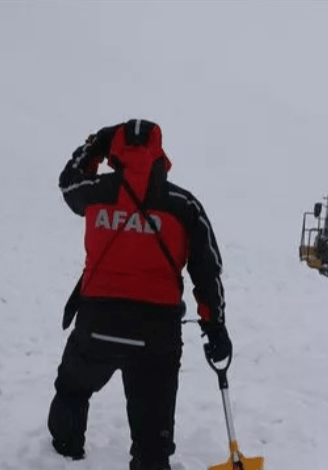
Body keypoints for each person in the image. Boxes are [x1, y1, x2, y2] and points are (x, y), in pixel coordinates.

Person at [49, 119, 232, 470]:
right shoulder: (183, 204)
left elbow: (68, 182)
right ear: (159, 152)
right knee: (152, 442)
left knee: (72, 390)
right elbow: (207, 271)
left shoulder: (95, 191)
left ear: (114, 151)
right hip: (156, 335)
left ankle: (61, 456)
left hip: (96, 324)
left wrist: (96, 144)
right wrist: (215, 327)